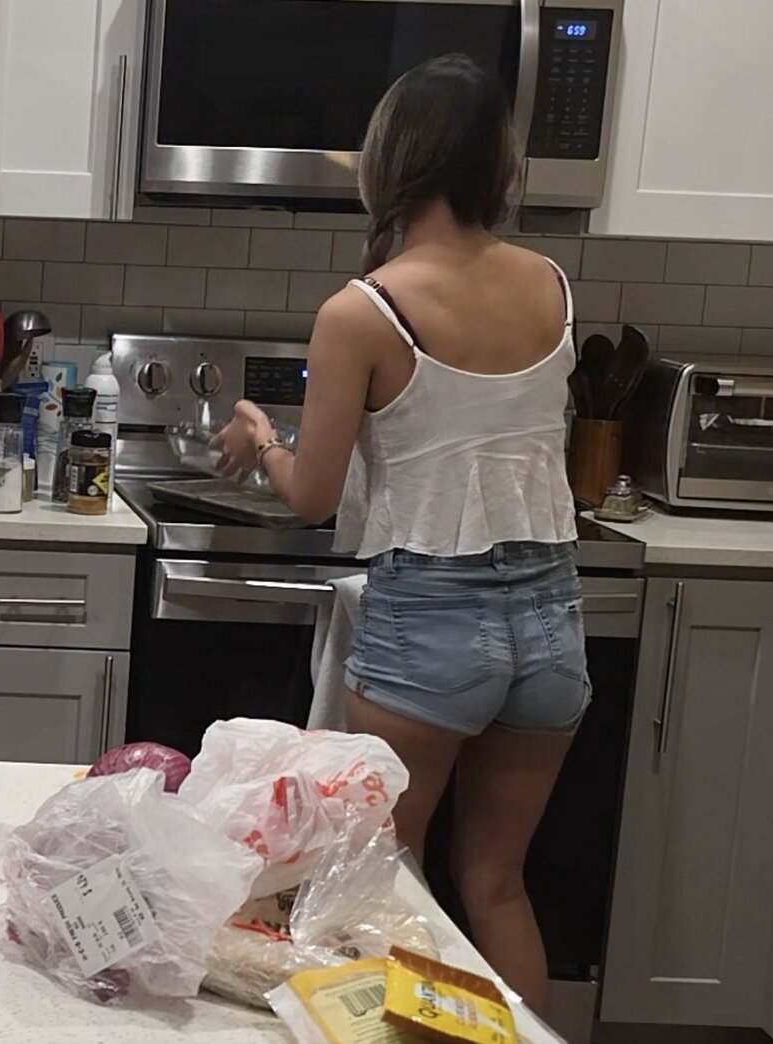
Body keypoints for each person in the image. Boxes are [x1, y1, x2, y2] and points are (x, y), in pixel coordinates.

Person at [212, 53, 583, 1014]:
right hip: (551, 620)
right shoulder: (551, 285)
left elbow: (313, 495)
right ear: (496, 164)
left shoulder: (363, 310)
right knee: (497, 884)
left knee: (384, 885)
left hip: (433, 621)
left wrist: (261, 440)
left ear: (391, 161)